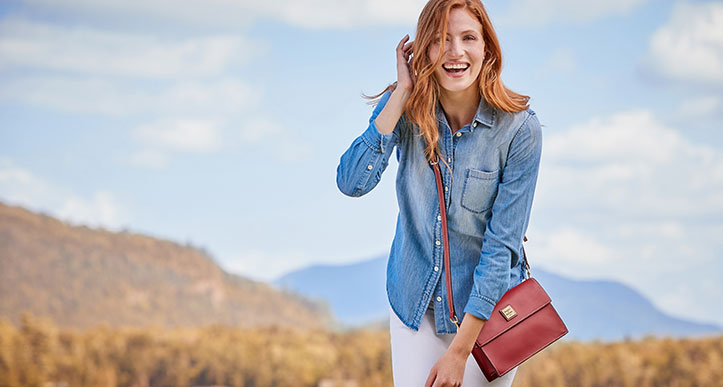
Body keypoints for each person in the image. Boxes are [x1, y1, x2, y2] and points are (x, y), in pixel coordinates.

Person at [336, 0, 542, 385]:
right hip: (416, 304)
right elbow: (351, 182)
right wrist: (401, 93)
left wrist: (460, 352)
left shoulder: (519, 130)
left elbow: (502, 249)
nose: (455, 52)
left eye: (468, 38)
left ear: (487, 48)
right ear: (424, 48)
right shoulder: (406, 108)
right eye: (442, 40)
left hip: (488, 315)